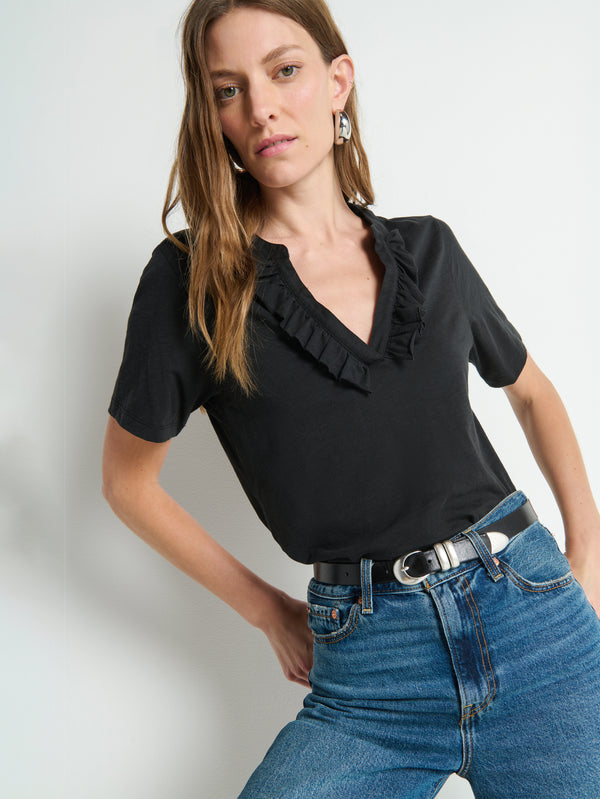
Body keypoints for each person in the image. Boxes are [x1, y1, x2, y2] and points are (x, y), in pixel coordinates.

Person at [102, 0, 600, 795]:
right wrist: (268, 610)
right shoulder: (194, 282)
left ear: (338, 81)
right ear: (213, 115)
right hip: (371, 673)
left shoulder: (430, 249)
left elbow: (533, 393)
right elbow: (128, 483)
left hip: (534, 619)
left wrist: (588, 556)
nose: (260, 107)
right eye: (228, 89)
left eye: (284, 70)